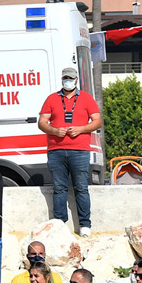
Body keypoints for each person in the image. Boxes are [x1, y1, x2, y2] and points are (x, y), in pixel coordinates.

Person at [38, 66, 100, 236]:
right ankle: (60, 225)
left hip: (79, 150)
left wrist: (81, 129)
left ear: (76, 80)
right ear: (62, 79)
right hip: (56, 150)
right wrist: (54, 131)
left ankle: (85, 225)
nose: (68, 81)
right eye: (65, 77)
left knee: (81, 187)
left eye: (71, 78)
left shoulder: (87, 99)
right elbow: (42, 121)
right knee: (59, 188)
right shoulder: (51, 99)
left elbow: (97, 121)